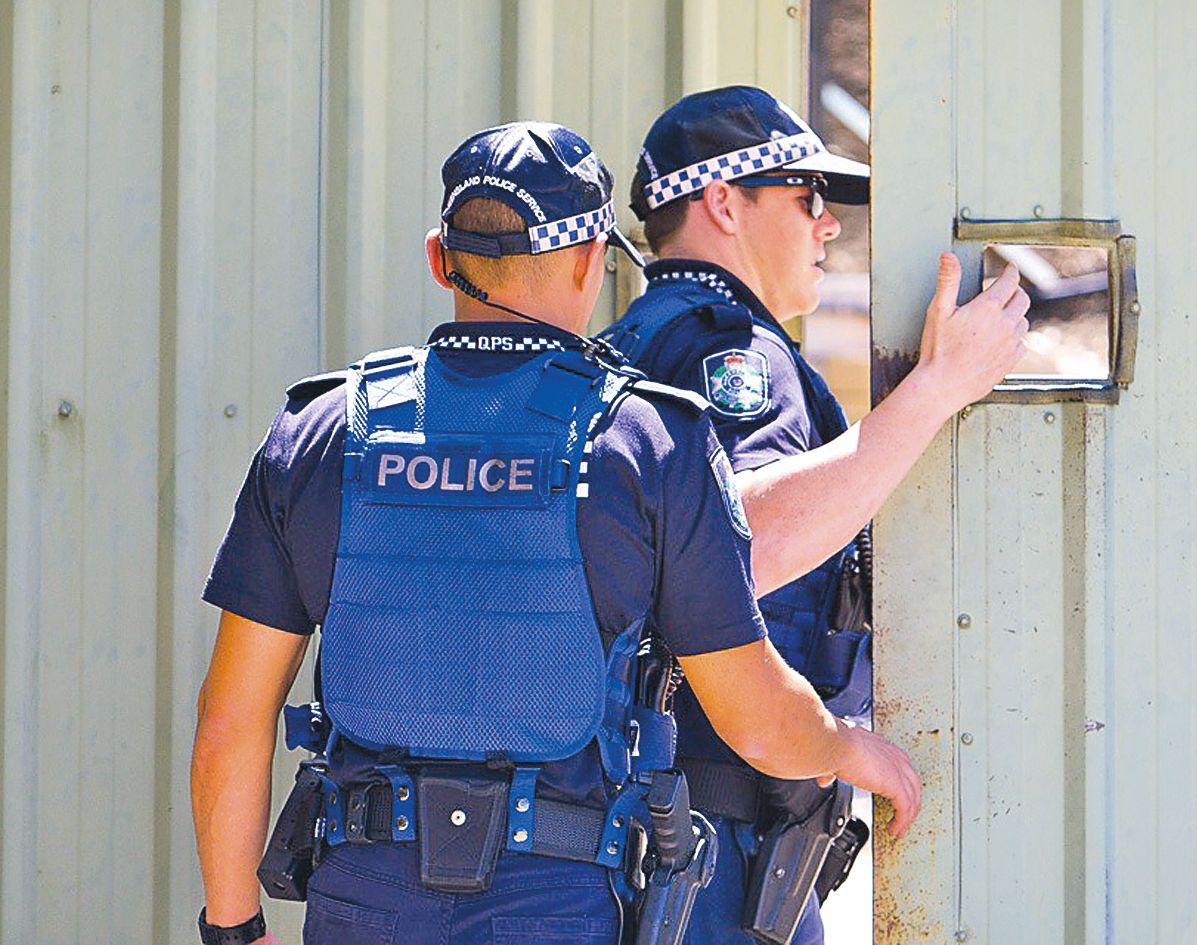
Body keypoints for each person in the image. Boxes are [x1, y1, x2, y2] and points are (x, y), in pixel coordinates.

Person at [189, 121, 920, 945]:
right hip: (559, 907)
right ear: (590, 261)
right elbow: (754, 715)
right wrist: (847, 747)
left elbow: (231, 717)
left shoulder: (321, 432)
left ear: (439, 259)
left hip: (364, 902)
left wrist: (233, 927)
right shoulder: (647, 441)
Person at [598, 86, 1028, 945]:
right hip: (711, 846)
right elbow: (738, 548)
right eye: (806, 199)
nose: (828, 225)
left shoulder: (631, 343)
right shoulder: (729, 350)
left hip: (651, 830)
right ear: (724, 203)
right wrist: (937, 389)